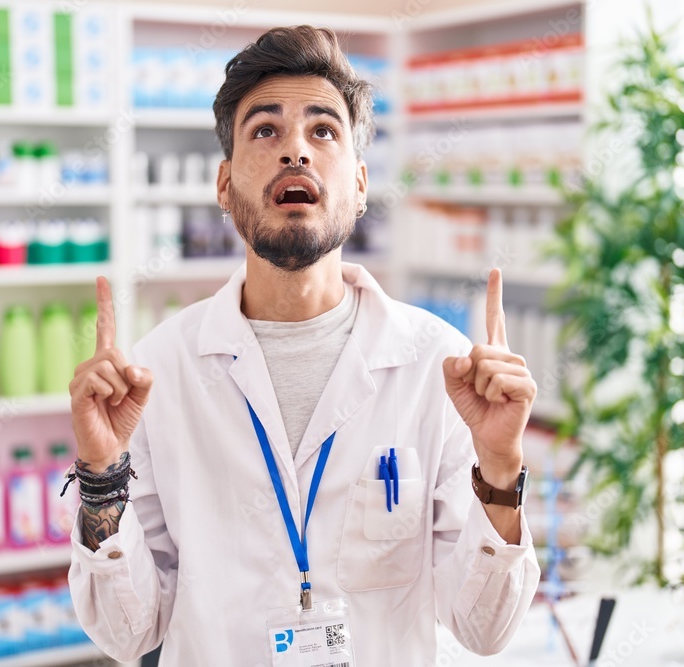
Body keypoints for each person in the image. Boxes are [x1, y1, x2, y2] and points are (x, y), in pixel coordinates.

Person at [67, 25, 540, 666]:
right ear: (225, 185)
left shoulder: (439, 365)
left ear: (362, 183)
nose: (296, 150)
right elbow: (129, 635)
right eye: (265, 130)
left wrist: (502, 466)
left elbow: (484, 630)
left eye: (324, 130)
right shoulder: (158, 372)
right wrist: (101, 478)